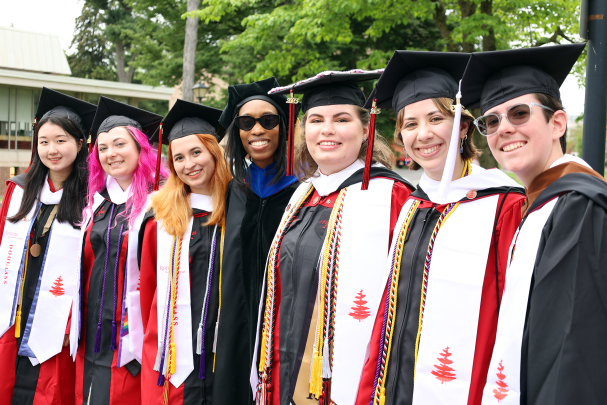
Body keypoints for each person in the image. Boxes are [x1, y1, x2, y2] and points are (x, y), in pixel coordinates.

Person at [354, 51, 525, 405]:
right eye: (410, 124)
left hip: (465, 385)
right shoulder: (413, 205)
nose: (424, 134)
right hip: (394, 383)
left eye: (436, 118)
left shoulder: (504, 205)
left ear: (463, 125)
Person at [252, 69, 414, 405]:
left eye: (341, 119)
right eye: (315, 120)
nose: (327, 130)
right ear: (303, 129)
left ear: (366, 127)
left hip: (350, 382)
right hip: (283, 369)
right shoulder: (303, 195)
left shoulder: (394, 198)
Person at [460, 43, 607, 405]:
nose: (504, 128)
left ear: (558, 123)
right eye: (491, 121)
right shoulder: (541, 204)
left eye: (519, 113)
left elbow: (571, 349)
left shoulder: (576, 206)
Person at [0, 88, 95, 405]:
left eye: (61, 140)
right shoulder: (19, 191)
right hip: (11, 312)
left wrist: (71, 321)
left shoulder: (92, 201)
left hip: (57, 323)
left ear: (80, 144)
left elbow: (90, 267)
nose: (52, 149)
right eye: (44, 141)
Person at [212, 77, 301, 404]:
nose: (257, 130)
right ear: (237, 131)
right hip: (235, 322)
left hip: (283, 320)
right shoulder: (229, 188)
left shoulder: (305, 191)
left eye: (269, 120)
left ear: (285, 126)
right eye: (246, 122)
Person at [137, 100, 231, 404]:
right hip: (169, 358)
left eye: (196, 152)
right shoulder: (158, 218)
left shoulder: (240, 211)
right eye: (178, 157)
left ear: (214, 152)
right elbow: (148, 289)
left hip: (223, 354)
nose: (188, 164)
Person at [75, 96, 167, 405]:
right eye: (102, 148)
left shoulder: (163, 200)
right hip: (92, 326)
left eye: (119, 144)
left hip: (136, 329)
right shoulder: (96, 202)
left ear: (141, 147)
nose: (110, 154)